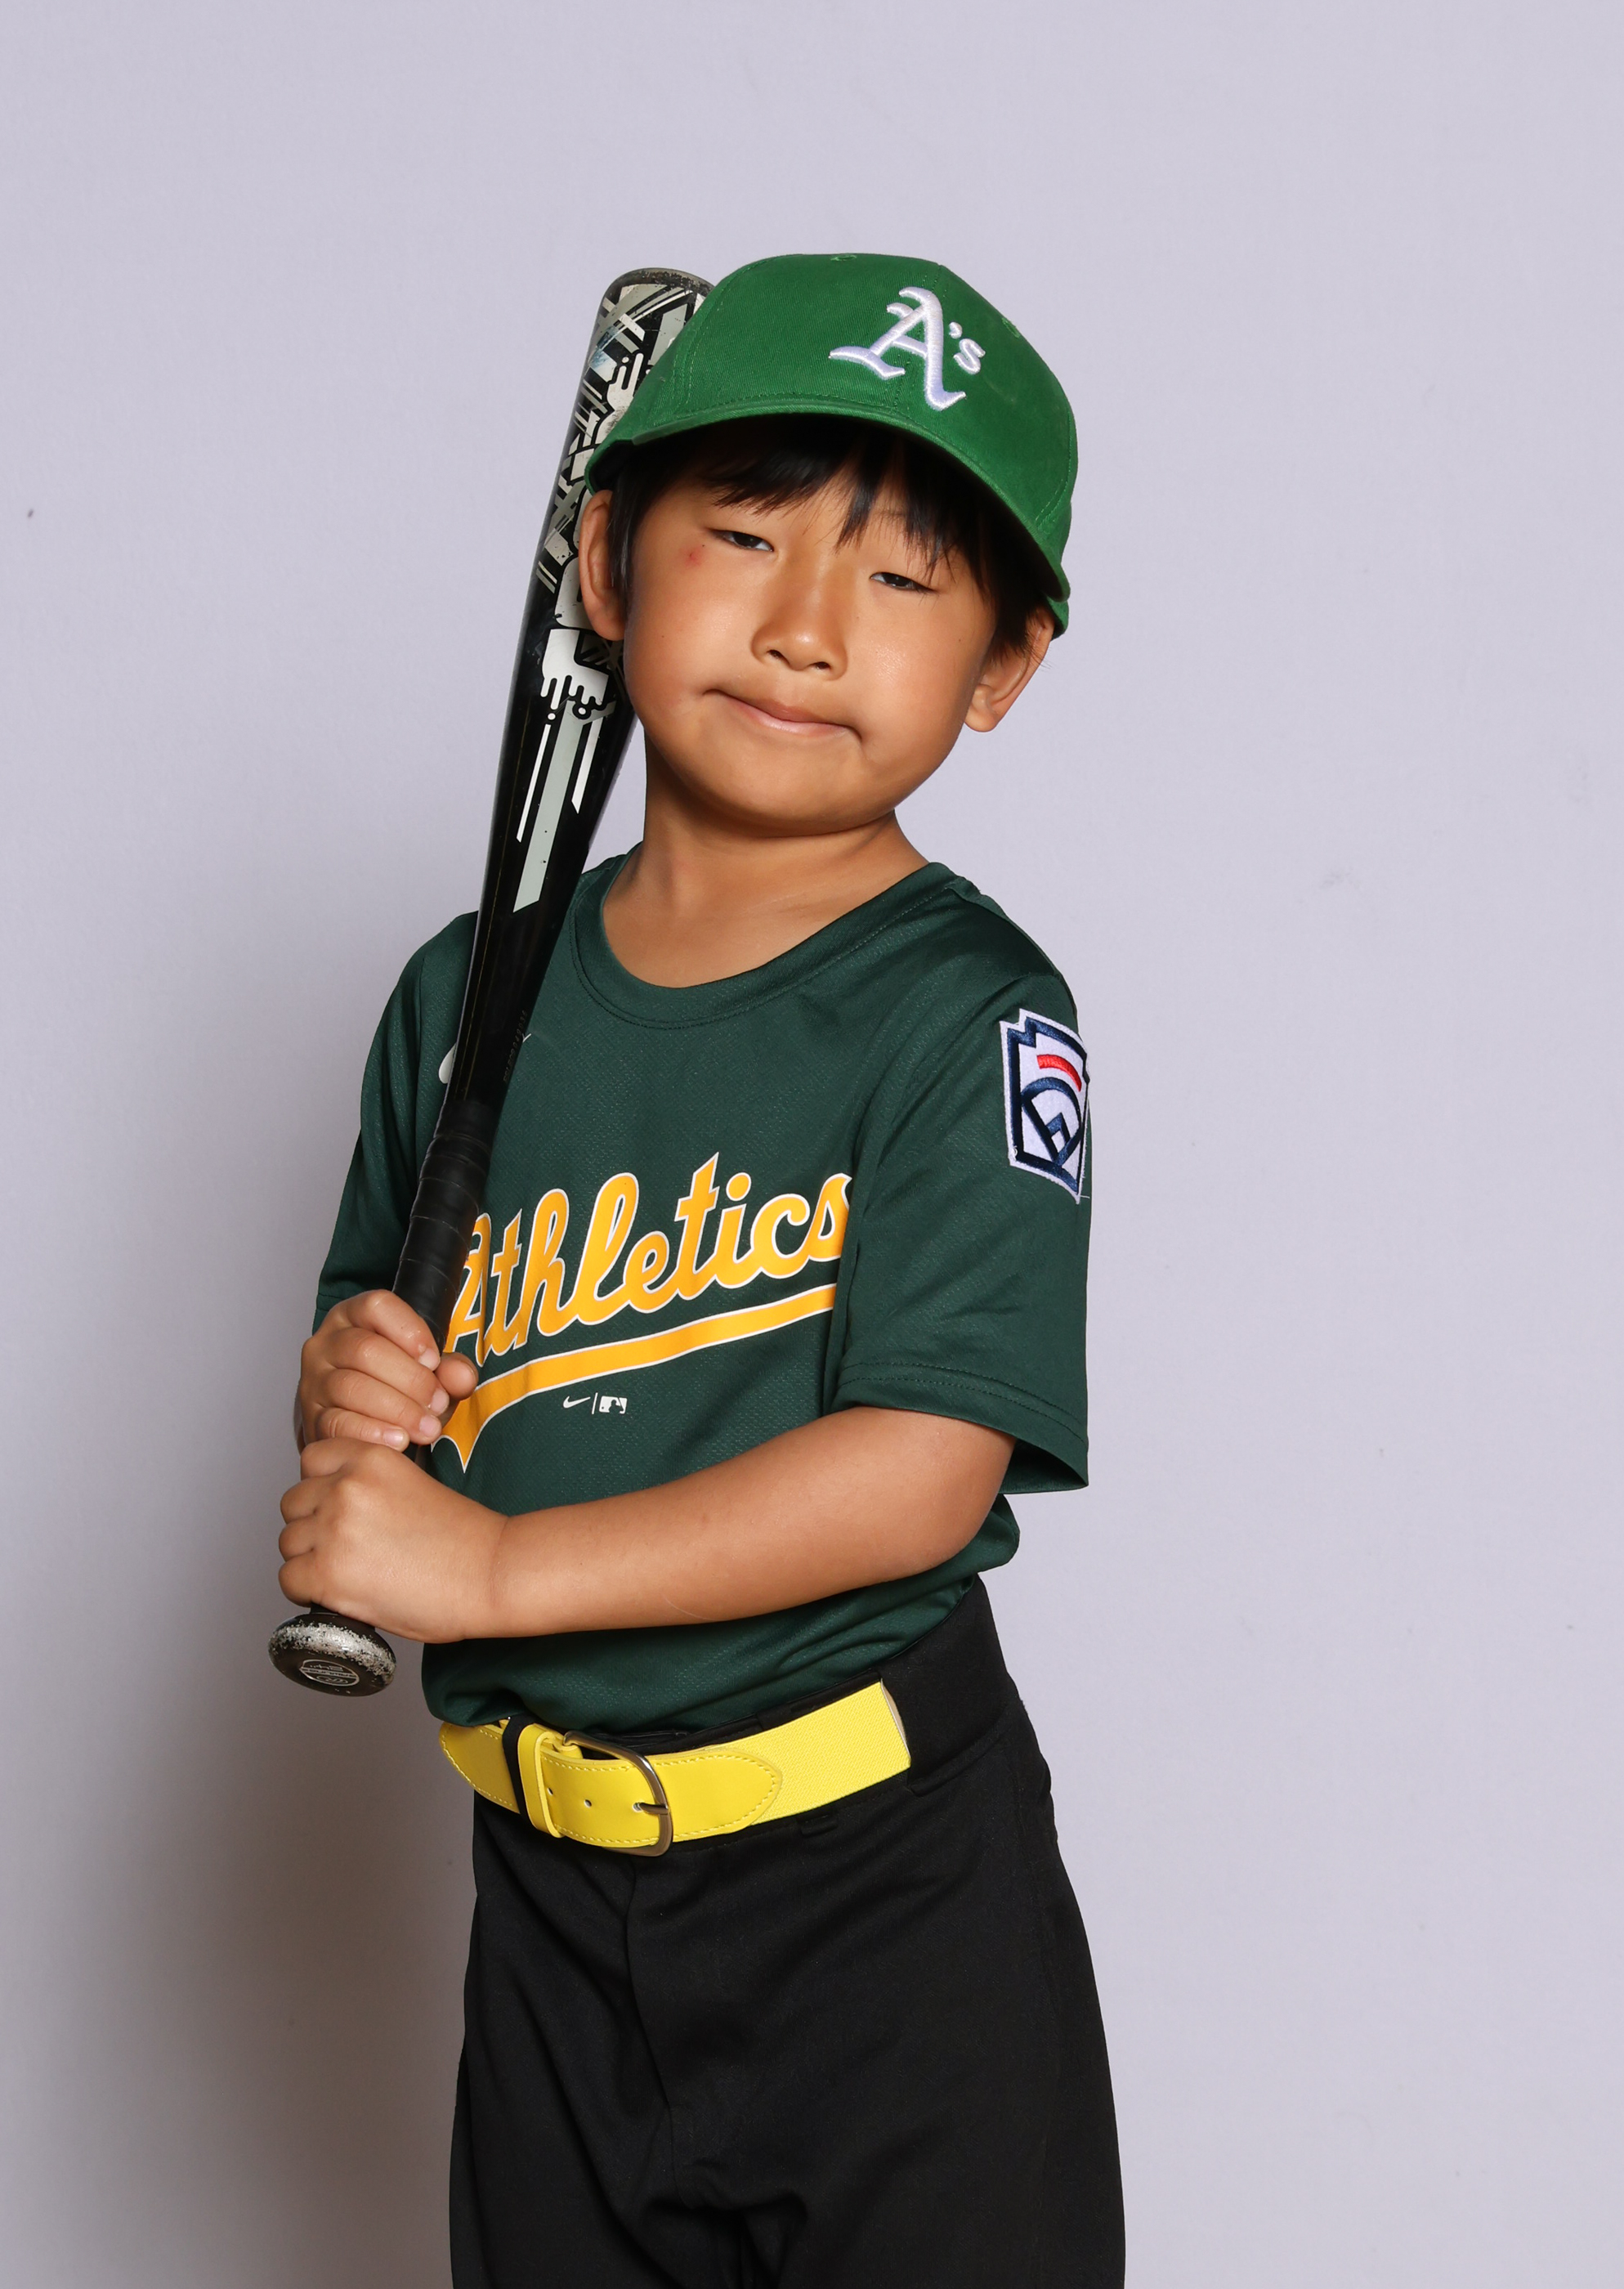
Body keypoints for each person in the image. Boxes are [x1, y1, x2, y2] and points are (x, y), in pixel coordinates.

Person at [277, 251, 1124, 2287]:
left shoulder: (967, 1013)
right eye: (743, 535)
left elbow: (918, 1468)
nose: (808, 622)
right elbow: (392, 1347)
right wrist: (353, 1388)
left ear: (1002, 667)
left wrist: (484, 1570)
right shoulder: (466, 997)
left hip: (881, 1907)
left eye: (905, 579)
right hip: (549, 1906)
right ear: (605, 563)